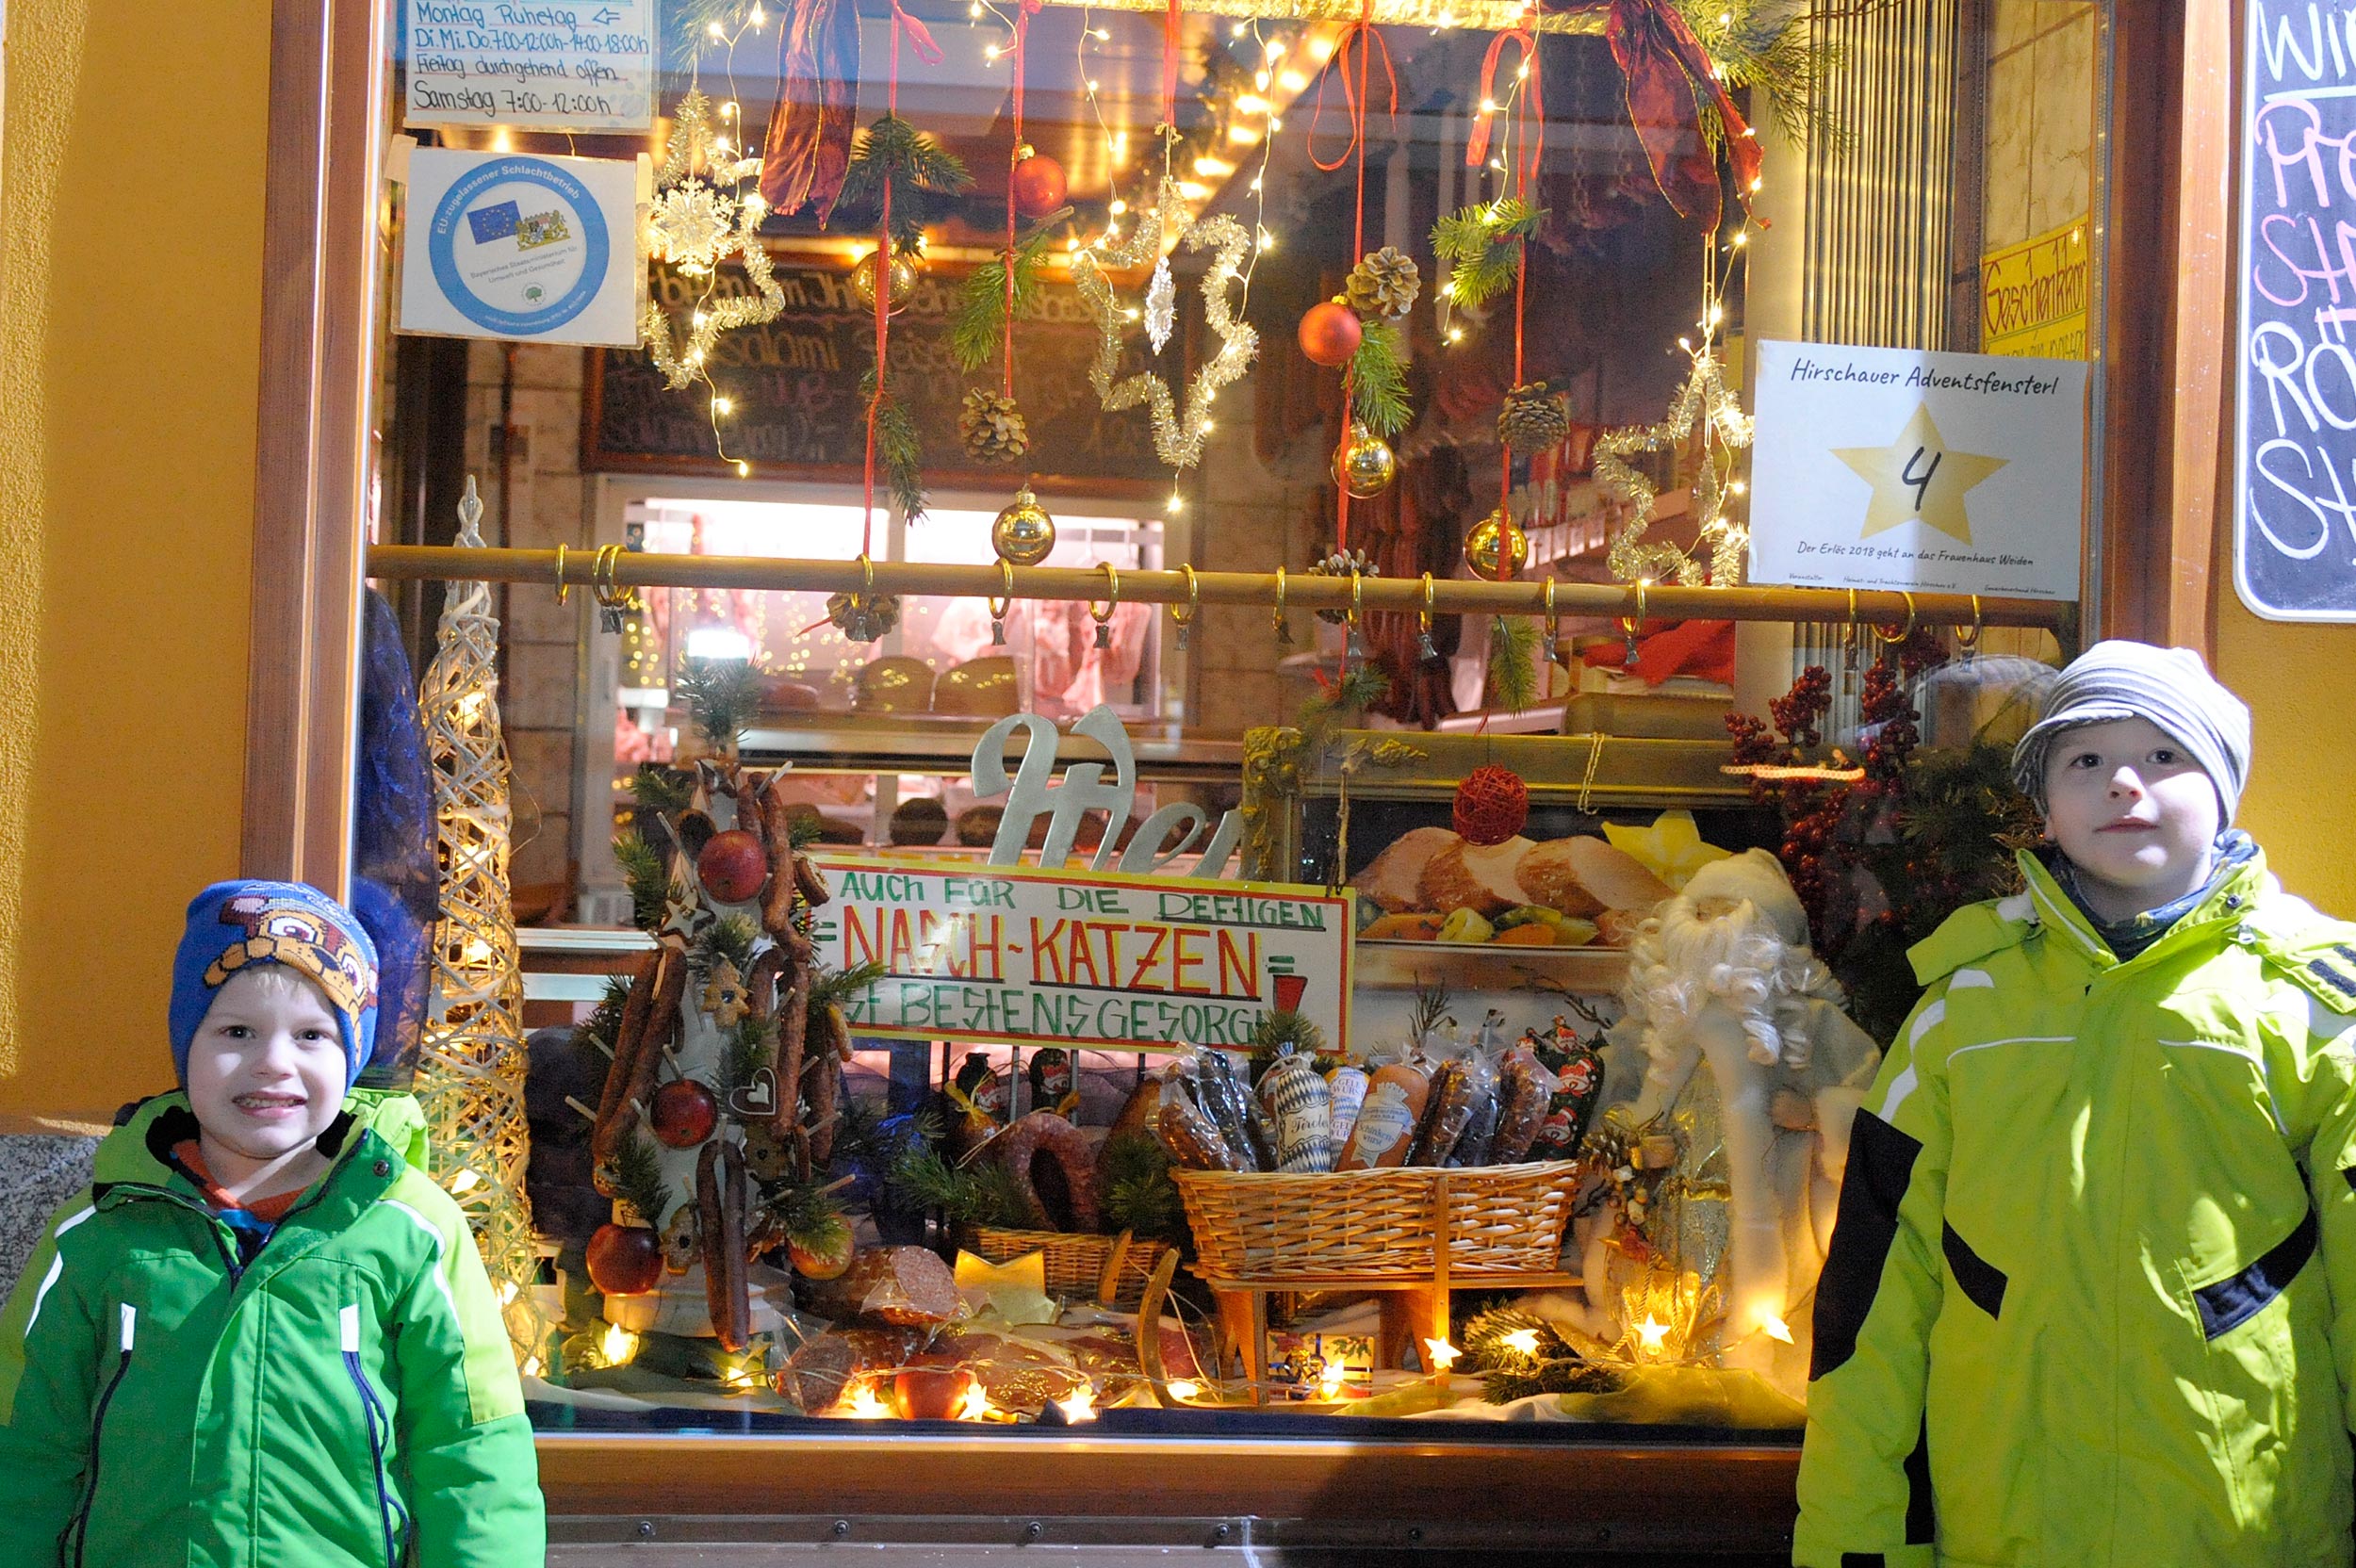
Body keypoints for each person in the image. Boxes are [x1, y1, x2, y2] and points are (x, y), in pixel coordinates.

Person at [1795, 642, 2356, 1566]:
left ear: (2223, 784)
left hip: (2246, 1531)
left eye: (2163, 755)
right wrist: (1852, 1547)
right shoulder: (1962, 1011)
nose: (2122, 784)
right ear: (2045, 803)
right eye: (2084, 760)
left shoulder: (2311, 1008)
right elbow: (1870, 1312)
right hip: (2008, 1528)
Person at [0, 880, 546, 1567]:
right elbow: (25, 1451)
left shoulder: (414, 1232)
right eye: (236, 1032)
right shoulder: (97, 1235)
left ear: (351, 1057)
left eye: (313, 1035)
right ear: (185, 1047)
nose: (273, 1063)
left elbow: (471, 1450)